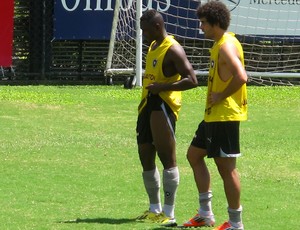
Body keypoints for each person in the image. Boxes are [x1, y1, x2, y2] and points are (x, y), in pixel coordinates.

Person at [182, 1, 247, 230]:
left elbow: (241, 76)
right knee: (194, 155)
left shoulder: (226, 46)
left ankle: (235, 223)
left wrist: (221, 96)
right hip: (213, 116)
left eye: (203, 23)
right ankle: (205, 214)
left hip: (224, 116)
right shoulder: (220, 43)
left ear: (215, 23)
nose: (201, 27)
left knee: (226, 169)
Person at [135, 9, 198, 228]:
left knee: (166, 157)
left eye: (145, 30)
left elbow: (192, 80)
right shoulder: (153, 46)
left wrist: (162, 87)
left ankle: (169, 213)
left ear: (157, 27)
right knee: (145, 154)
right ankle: (154, 209)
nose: (143, 34)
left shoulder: (173, 49)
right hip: (147, 104)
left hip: (163, 106)